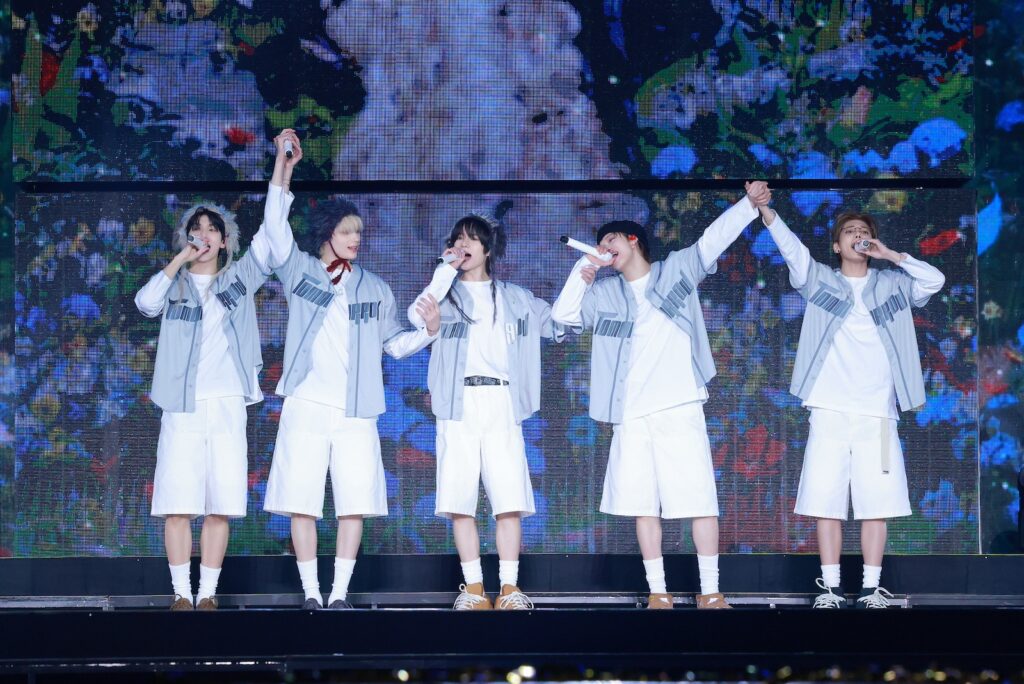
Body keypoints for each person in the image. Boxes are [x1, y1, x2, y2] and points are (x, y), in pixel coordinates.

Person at [551, 183, 771, 609]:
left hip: (679, 405)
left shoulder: (675, 271)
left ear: (632, 240)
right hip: (632, 414)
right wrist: (583, 271)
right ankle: (658, 592)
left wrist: (749, 204)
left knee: (699, 501)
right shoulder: (604, 294)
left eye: (610, 241)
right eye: (599, 245)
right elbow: (563, 316)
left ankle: (711, 592)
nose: (604, 248)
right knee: (643, 506)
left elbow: (714, 239)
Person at [262, 136, 440, 610]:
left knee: (353, 503)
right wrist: (284, 167)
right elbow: (275, 226)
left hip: (357, 410)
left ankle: (339, 594)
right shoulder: (300, 272)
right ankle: (311, 594)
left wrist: (428, 332)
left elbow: (394, 345)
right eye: (346, 231)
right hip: (306, 402)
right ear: (327, 234)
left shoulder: (376, 288)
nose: (355, 238)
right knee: (301, 500)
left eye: (358, 232)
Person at [135, 132, 296, 610]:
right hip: (181, 405)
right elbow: (145, 304)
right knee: (177, 504)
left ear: (225, 241)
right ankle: (181, 594)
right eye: (196, 229)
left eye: (212, 230)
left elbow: (272, 231)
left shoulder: (239, 279)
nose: (203, 235)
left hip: (226, 402)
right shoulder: (173, 285)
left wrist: (282, 167)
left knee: (220, 504)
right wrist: (179, 260)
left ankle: (207, 595)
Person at [757, 200, 944, 608]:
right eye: (849, 232)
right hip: (829, 409)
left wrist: (891, 255)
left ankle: (872, 588)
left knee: (877, 503)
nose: (858, 235)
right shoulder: (821, 281)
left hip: (878, 414)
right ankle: (830, 588)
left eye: (864, 231)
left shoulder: (893, 284)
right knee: (826, 502)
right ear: (837, 246)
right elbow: (792, 250)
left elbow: (934, 280)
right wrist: (768, 213)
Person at [408, 213, 564, 610]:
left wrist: (584, 274)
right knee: (460, 499)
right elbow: (415, 316)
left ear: (488, 249)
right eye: (457, 238)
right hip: (457, 402)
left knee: (508, 498)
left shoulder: (515, 297)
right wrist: (445, 270)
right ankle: (474, 590)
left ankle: (509, 588)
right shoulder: (444, 294)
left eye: (472, 239)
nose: (463, 244)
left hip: (501, 401)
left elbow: (559, 323)